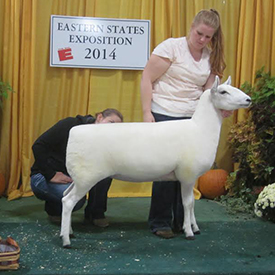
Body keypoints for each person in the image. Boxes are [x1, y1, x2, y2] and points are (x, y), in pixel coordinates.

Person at [140, 9, 229, 238]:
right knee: (164, 170)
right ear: (192, 27)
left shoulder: (210, 58)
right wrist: (147, 112)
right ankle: (160, 222)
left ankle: (183, 221)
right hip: (164, 113)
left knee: (188, 171)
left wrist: (222, 108)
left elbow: (210, 93)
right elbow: (147, 78)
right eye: (199, 33)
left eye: (208, 37)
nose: (202, 40)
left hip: (192, 118)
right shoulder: (170, 48)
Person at [30, 108, 123, 227]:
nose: (112, 129)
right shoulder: (70, 125)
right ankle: (53, 209)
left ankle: (95, 214)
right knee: (77, 200)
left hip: (72, 177)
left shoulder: (105, 141)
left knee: (105, 173)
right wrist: (50, 174)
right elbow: (38, 146)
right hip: (43, 176)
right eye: (111, 122)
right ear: (100, 117)